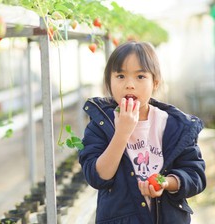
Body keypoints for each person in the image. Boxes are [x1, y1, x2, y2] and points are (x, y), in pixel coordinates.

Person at [78, 41, 206, 224]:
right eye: (120, 76)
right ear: (109, 82)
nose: (130, 85)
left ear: (155, 82)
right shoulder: (100, 125)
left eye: (140, 76)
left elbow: (195, 174)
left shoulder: (175, 126)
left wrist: (166, 182)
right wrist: (122, 133)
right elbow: (98, 177)